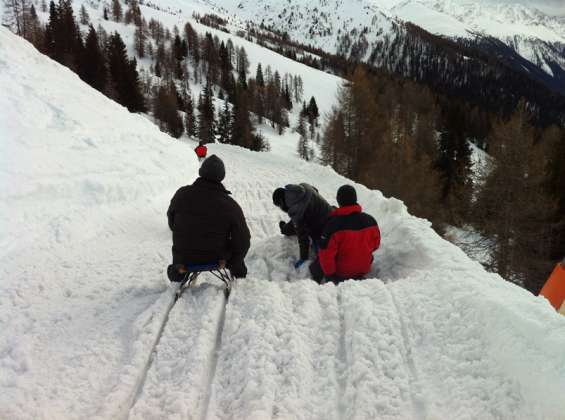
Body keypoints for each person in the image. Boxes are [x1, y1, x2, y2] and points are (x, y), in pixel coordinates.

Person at [167, 155, 250, 281]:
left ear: (201, 172)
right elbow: (243, 239)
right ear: (222, 176)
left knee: (184, 247)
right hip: (217, 258)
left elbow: (172, 222)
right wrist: (235, 262)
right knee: (237, 248)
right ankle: (239, 275)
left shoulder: (182, 194)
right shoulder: (230, 204)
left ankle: (177, 273)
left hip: (183, 258)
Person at [310, 185, 380, 284]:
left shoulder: (333, 224)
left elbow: (326, 255)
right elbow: (375, 245)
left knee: (319, 259)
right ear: (355, 199)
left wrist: (330, 275)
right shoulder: (371, 220)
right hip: (364, 268)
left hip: (342, 272)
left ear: (339, 201)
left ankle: (315, 282)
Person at [273, 183, 333, 268]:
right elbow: (315, 190)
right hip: (331, 214)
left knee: (320, 257)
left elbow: (303, 238)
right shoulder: (304, 187)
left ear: (282, 202)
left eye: (279, 206)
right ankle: (285, 229)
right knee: (299, 224)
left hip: (323, 230)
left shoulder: (297, 212)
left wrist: (303, 258)